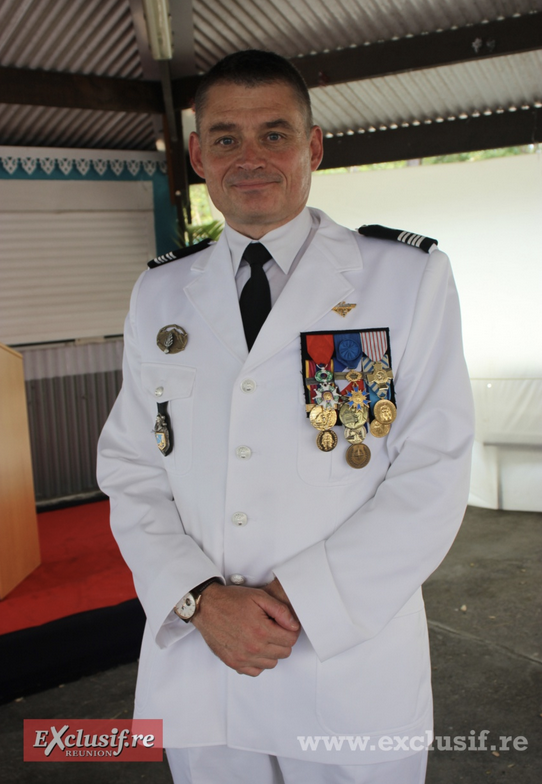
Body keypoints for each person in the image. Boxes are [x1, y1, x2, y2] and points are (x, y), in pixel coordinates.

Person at [97, 49, 474, 784]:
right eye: (227, 138)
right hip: (206, 668)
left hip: (343, 665)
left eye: (275, 133)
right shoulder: (162, 296)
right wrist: (197, 599)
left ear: (314, 145)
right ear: (199, 155)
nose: (251, 158)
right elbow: (133, 469)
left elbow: (435, 466)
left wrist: (299, 602)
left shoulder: (402, 279)